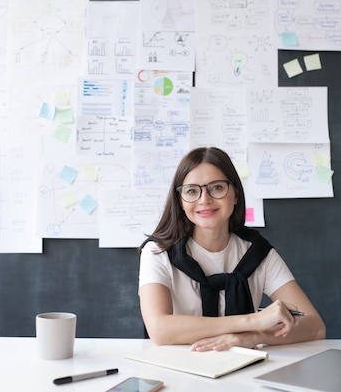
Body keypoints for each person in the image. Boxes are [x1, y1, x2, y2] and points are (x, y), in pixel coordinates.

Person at [138, 147, 326, 352]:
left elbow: (315, 327)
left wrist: (253, 337)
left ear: (235, 194)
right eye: (192, 190)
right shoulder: (158, 252)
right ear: (180, 201)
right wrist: (252, 322)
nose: (204, 199)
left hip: (243, 366)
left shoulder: (257, 252)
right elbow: (158, 329)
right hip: (177, 366)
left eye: (217, 188)